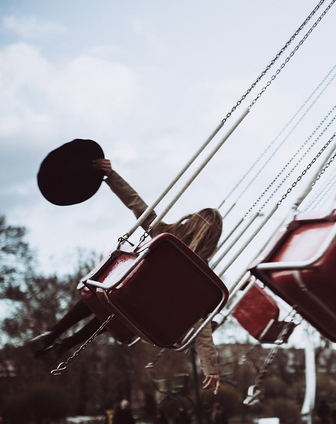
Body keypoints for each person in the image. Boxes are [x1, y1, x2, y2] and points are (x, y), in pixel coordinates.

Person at [28, 158, 223, 393]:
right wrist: (211, 366)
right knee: (115, 314)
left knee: (104, 294)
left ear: (192, 222)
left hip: (123, 291)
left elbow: (138, 206)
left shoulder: (167, 235)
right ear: (213, 241)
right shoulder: (200, 276)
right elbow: (200, 325)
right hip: (138, 310)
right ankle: (64, 345)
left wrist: (112, 176)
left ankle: (54, 333)